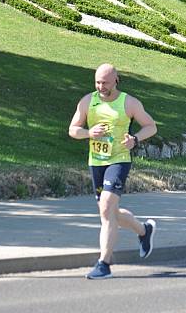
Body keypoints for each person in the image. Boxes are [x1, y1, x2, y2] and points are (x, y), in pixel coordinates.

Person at [69, 63, 158, 279]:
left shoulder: (128, 102)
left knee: (107, 207)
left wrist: (135, 139)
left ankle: (104, 264)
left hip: (119, 160)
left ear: (116, 80)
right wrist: (89, 133)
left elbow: (151, 126)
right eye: (98, 82)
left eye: (105, 83)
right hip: (96, 162)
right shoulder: (88, 101)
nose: (101, 87)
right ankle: (144, 231)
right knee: (109, 212)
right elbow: (73, 130)